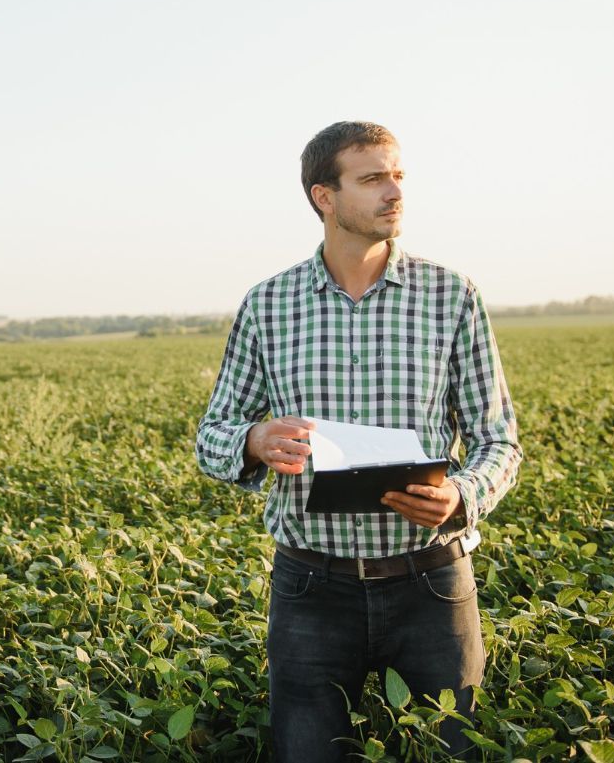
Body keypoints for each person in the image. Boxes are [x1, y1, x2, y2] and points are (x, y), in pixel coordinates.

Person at [195, 121, 521, 760]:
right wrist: (256, 439)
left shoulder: (450, 296)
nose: (394, 191)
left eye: (398, 175)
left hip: (432, 581)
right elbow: (213, 435)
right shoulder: (269, 304)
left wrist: (461, 494)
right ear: (325, 197)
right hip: (312, 589)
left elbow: (498, 440)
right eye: (372, 178)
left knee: (454, 750)